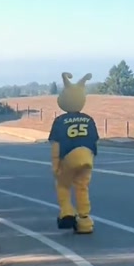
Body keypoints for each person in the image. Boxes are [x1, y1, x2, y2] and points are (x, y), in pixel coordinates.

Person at [48, 72, 99, 234]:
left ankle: (67, 212)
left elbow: (56, 145)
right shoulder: (89, 119)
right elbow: (94, 140)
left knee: (63, 184)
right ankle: (85, 221)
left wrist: (56, 166)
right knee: (82, 187)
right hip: (87, 157)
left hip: (69, 157)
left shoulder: (60, 121)